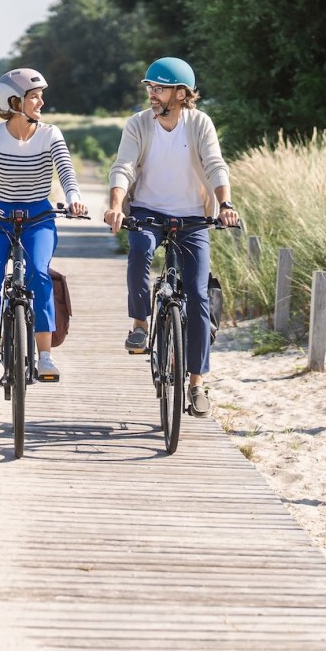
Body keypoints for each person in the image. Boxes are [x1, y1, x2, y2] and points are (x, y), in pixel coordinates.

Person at [103, 57, 239, 417]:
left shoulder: (199, 124)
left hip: (193, 214)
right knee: (140, 251)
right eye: (149, 87)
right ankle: (140, 323)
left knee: (196, 295)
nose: (152, 93)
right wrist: (117, 205)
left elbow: (215, 164)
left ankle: (196, 385)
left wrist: (225, 203)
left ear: (181, 93)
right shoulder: (138, 124)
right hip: (147, 210)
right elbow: (124, 166)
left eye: (159, 88)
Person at [0, 67, 88, 392]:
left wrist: (74, 198)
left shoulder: (50, 134)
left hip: (39, 217)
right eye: (34, 96)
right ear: (14, 101)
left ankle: (44, 356)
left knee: (39, 274)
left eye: (40, 96)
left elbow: (66, 171)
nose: (41, 102)